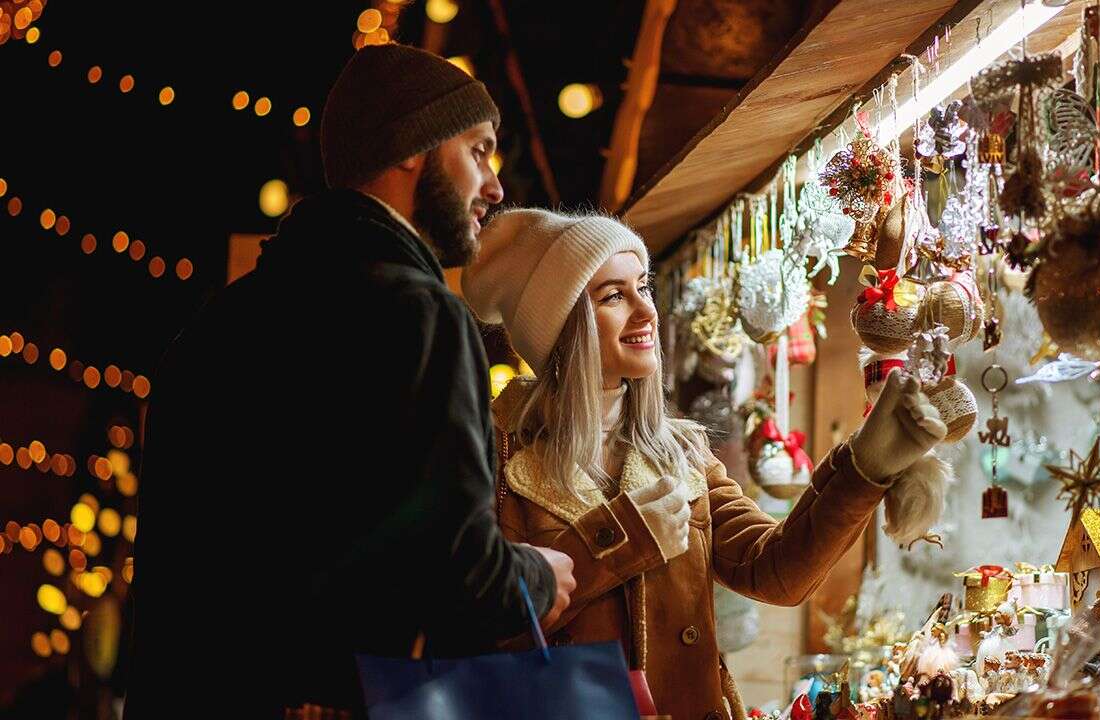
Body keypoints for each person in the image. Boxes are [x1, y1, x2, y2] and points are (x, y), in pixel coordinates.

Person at [125, 46, 574, 717]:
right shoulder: (418, 313)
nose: (495, 186)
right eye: (479, 152)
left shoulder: (218, 323)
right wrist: (538, 577)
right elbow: (457, 570)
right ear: (411, 149)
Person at [461, 209, 946, 720]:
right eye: (612, 296)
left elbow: (776, 571)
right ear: (562, 327)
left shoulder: (682, 451)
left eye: (642, 287)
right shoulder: (497, 460)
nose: (645, 312)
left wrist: (864, 468)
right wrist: (621, 539)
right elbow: (483, 623)